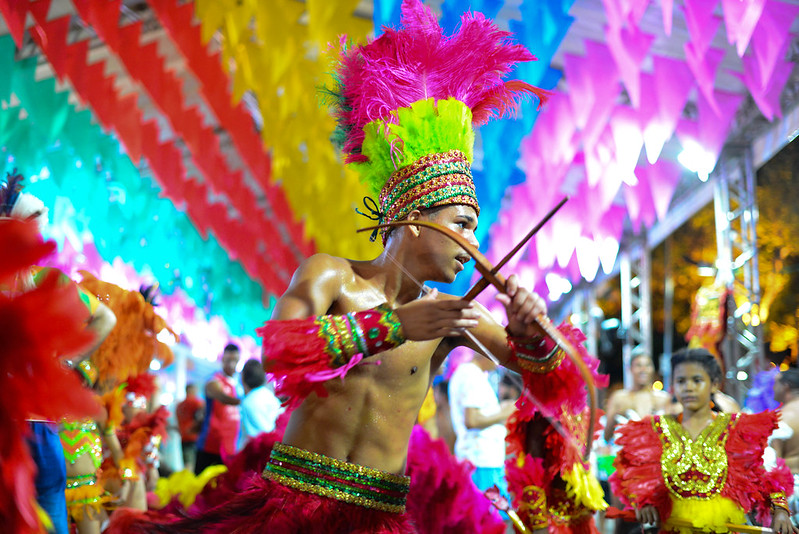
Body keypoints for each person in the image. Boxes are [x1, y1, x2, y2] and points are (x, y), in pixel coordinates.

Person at [106, 2, 600, 532]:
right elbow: (278, 350)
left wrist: (534, 336)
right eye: (461, 223)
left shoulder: (452, 317)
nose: (472, 244)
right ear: (414, 220)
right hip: (291, 509)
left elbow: (558, 390)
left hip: (381, 517)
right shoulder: (330, 276)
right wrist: (392, 327)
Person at [1, 171, 117, 534]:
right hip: (44, 433)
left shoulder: (37, 281)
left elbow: (106, 317)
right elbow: (106, 317)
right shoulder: (49, 282)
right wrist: (66, 361)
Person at [610, 347, 794, 534]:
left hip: (723, 528)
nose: (688, 387)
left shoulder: (736, 428)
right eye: (681, 381)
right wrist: (642, 501)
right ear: (673, 386)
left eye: (697, 380)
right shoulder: (654, 429)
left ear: (714, 384)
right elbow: (631, 474)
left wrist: (780, 511)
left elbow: (765, 472)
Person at [448, 352, 515, 496]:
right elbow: (471, 421)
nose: (498, 364)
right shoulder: (470, 375)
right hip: (481, 462)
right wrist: (506, 412)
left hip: (483, 461)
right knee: (492, 515)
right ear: (484, 353)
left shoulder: (470, 374)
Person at [603, 351, 674, 443]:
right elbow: (607, 436)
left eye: (647, 365)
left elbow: (673, 434)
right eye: (638, 365)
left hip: (658, 454)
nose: (643, 369)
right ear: (630, 369)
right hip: (627, 453)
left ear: (652, 369)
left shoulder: (664, 398)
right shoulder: (619, 398)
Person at [194, 343, 241, 474]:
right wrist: (242, 401)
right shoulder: (214, 381)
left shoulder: (239, 384)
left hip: (231, 449)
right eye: (228, 360)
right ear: (222, 360)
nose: (231, 364)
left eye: (234, 360)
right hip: (210, 446)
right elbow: (221, 396)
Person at [771, 368, 799, 524]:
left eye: (775, 383)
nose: (773, 388)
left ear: (786, 386)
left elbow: (774, 466)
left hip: (793, 493)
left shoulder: (781, 417)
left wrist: (779, 507)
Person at [239, 359, 284, 446]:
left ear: (243, 376)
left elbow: (265, 432)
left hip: (259, 450)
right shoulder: (269, 395)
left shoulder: (248, 402)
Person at [176, 383, 204, 472]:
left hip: (183, 436)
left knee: (186, 463)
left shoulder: (179, 405)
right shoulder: (197, 402)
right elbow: (204, 414)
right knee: (192, 465)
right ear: (191, 390)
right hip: (194, 437)